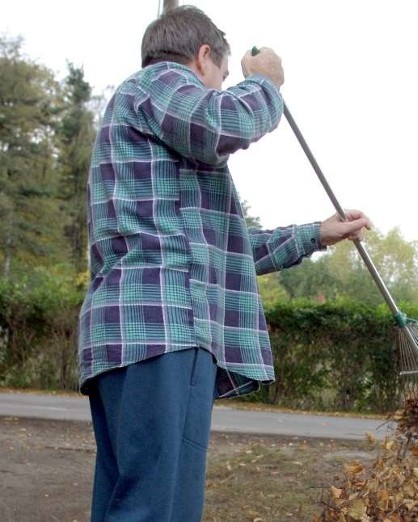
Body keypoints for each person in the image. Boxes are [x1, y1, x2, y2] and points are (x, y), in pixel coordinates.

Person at [77, 5, 371, 521]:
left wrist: (316, 235)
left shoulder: (150, 125)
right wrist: (267, 85)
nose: (217, 90)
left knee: (133, 503)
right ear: (203, 56)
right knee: (156, 510)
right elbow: (223, 123)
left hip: (133, 335)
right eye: (221, 78)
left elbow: (225, 251)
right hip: (163, 331)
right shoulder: (159, 82)